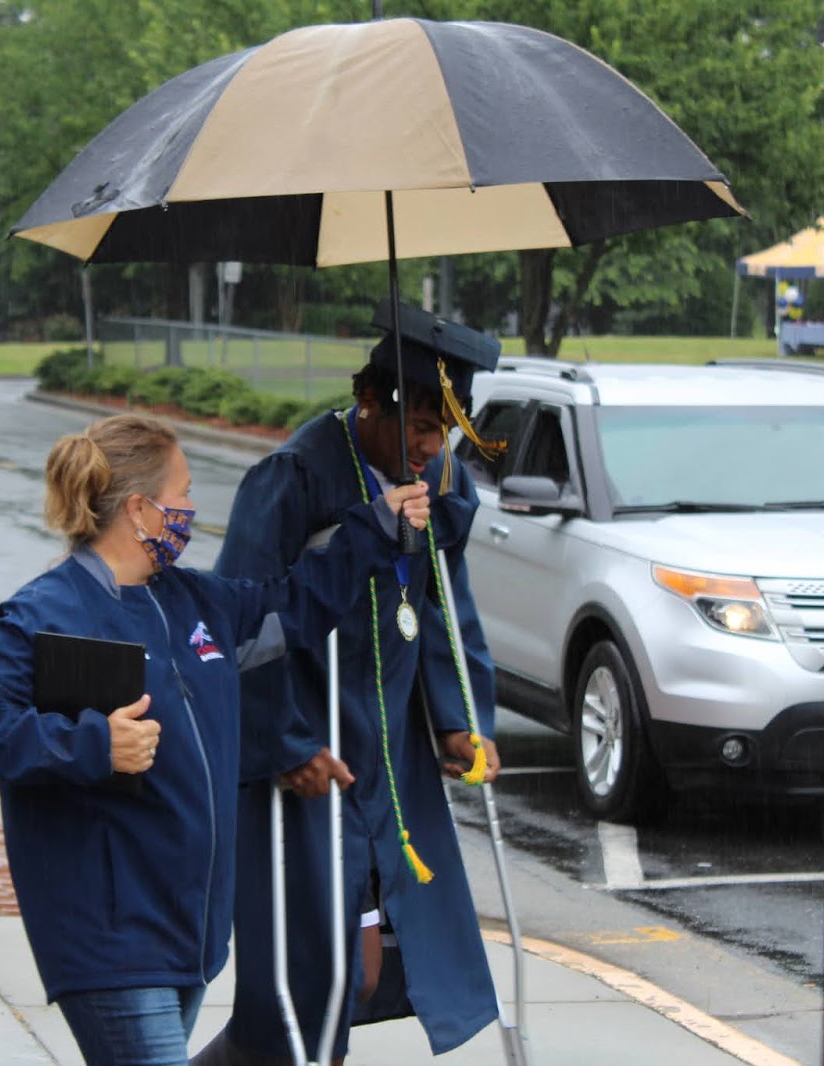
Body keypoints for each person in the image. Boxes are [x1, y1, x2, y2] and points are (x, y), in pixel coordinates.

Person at [0, 413, 429, 1066]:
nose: (193, 509)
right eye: (183, 494)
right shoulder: (41, 615)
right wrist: (94, 744)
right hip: (110, 939)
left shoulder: (193, 603)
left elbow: (299, 604)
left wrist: (378, 526)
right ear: (141, 510)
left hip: (190, 934)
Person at [192, 300, 506, 1065]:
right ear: (371, 400)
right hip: (307, 755)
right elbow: (242, 628)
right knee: (317, 981)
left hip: (384, 754)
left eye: (444, 434)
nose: (432, 449)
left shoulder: (435, 474)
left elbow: (439, 602)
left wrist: (461, 717)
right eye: (421, 429)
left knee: (352, 980)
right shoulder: (297, 476)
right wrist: (283, 743)